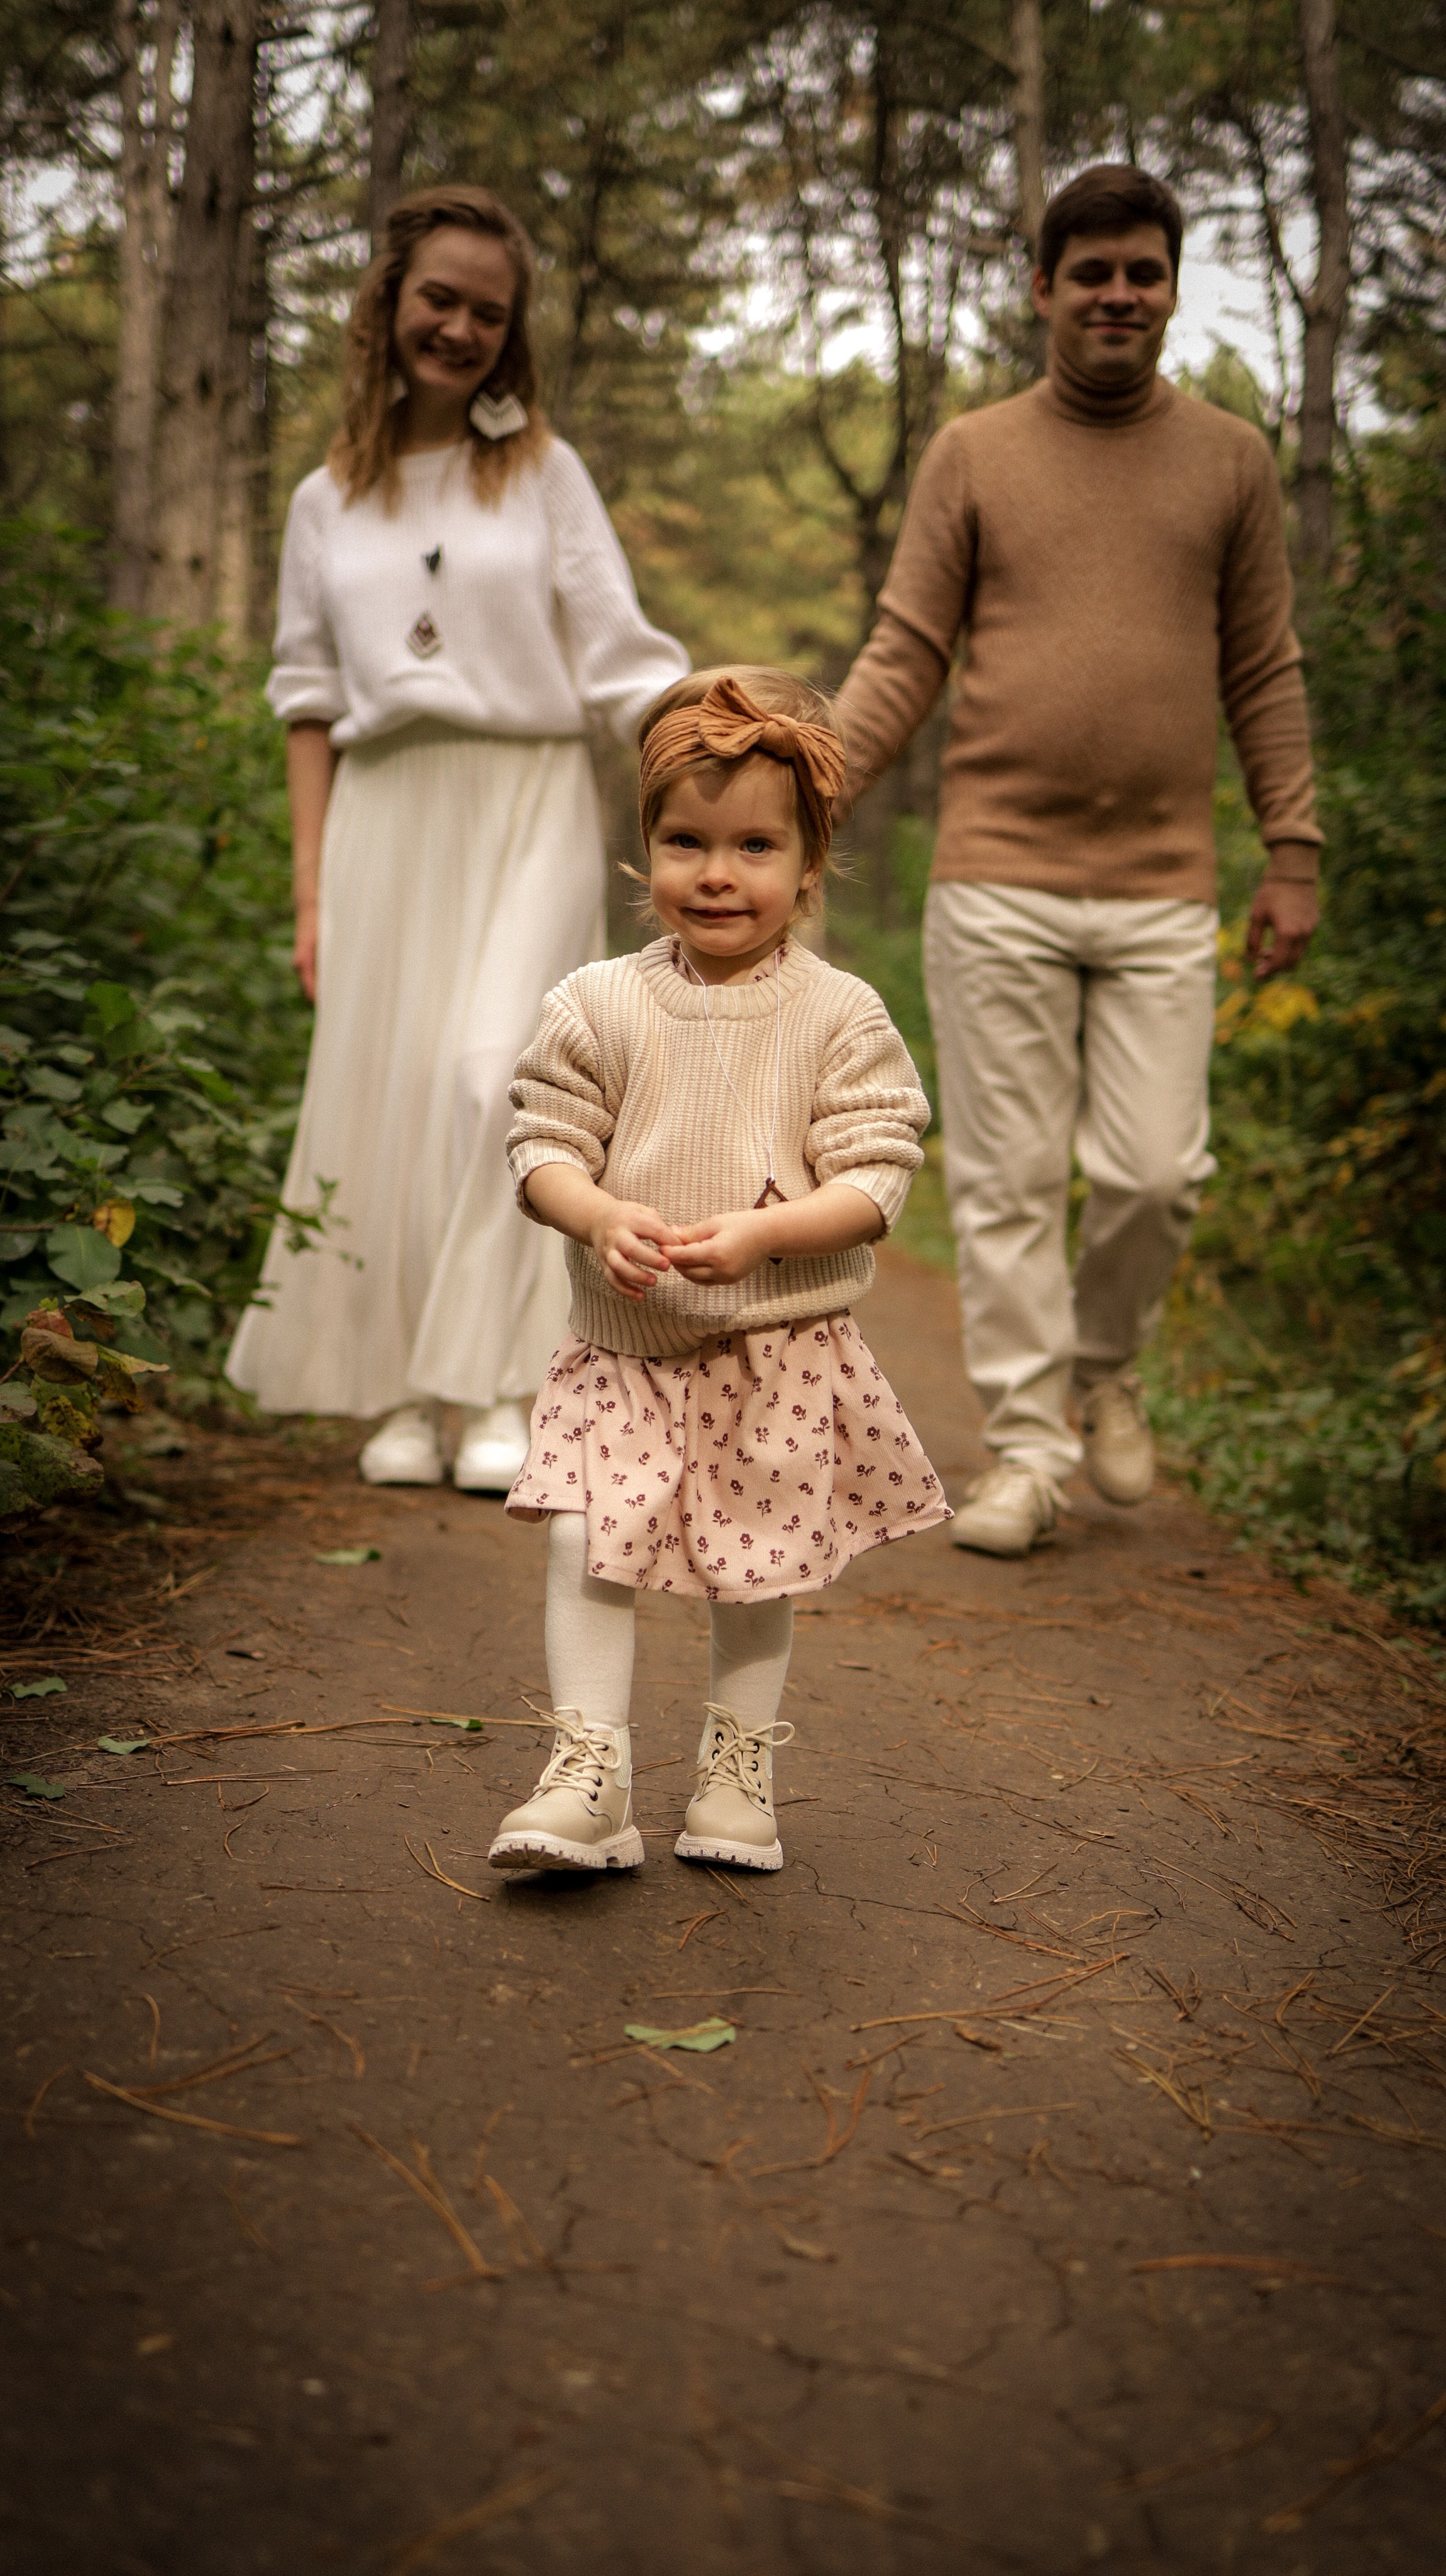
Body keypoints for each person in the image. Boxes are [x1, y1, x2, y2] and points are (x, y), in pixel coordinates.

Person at [834, 163, 1322, 1558]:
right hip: (996, 871)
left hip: (1166, 880)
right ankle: (1026, 1451)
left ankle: (1102, 1358)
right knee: (1002, 1174)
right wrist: (814, 791)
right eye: (1091, 270)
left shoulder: (1230, 458)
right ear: (1041, 286)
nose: (1118, 294)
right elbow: (907, 650)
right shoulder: (975, 453)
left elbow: (1263, 666)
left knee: (1157, 1169)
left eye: (1143, 272)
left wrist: (1292, 846)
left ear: (1171, 289)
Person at [226, 184, 688, 1491]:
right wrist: (312, 890)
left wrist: (720, 723)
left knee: (497, 1077)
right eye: (440, 298)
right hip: (383, 814)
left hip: (528, 796)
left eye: (490, 311)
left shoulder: (544, 472)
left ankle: (497, 1387)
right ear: (388, 303)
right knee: (393, 1088)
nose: (462, 328)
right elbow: (307, 699)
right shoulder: (328, 500)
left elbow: (618, 661)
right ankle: (407, 1398)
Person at [485, 669, 949, 1877]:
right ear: (647, 853)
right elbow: (540, 1143)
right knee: (584, 1539)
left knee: (757, 1561)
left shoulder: (840, 1015)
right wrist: (592, 1216)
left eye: (755, 845)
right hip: (622, 1344)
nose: (717, 873)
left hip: (776, 1347)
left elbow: (878, 1172)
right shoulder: (599, 1002)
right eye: (686, 841)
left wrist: (768, 1235)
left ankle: (738, 1772)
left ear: (809, 865)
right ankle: (590, 1772)